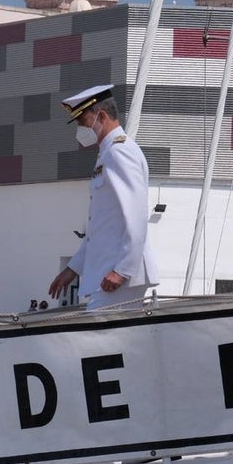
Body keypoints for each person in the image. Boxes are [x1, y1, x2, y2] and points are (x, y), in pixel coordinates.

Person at [48, 84, 158, 310]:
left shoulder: (120, 152)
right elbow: (102, 226)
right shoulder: (107, 154)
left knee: (93, 340)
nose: (80, 128)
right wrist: (73, 269)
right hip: (110, 272)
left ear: (102, 116)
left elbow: (136, 214)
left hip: (121, 275)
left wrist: (123, 270)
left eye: (82, 121)